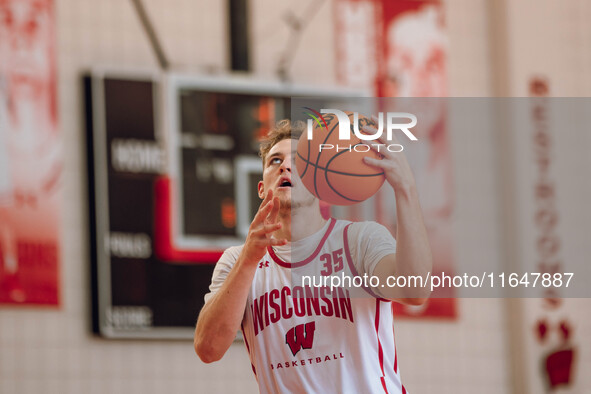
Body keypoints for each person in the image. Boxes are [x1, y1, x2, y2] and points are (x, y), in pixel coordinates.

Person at [194, 120, 432, 393]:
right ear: (262, 189)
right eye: (275, 161)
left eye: (299, 160)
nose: (285, 166)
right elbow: (208, 349)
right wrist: (249, 260)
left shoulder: (360, 240)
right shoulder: (237, 261)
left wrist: (406, 190)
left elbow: (415, 291)